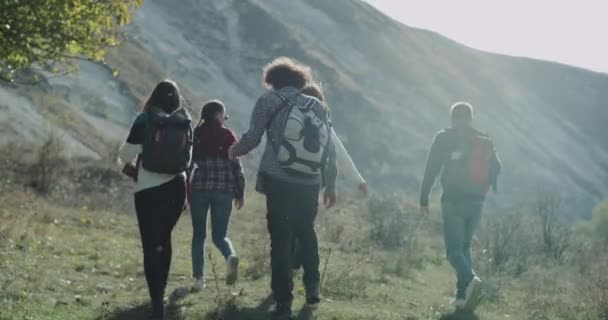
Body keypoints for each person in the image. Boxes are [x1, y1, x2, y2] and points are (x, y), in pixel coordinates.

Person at [228, 57, 338, 319]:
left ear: (272, 81)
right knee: (306, 233)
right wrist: (330, 184)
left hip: (279, 180)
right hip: (310, 181)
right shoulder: (317, 105)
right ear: (300, 81)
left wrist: (233, 151)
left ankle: (284, 302)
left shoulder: (268, 101)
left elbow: (253, 137)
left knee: (280, 240)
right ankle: (312, 287)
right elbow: (329, 150)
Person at [118, 80, 192, 320]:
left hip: (148, 189)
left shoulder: (144, 119)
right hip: (177, 187)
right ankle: (161, 298)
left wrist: (131, 163)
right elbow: (188, 159)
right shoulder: (183, 120)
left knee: (151, 246)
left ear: (153, 97)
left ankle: (157, 304)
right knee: (164, 240)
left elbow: (124, 155)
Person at [419, 102, 501, 312]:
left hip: (454, 200)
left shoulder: (445, 137)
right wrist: (489, 186)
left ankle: (472, 280)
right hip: (477, 202)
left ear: (453, 118)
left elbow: (432, 167)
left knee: (454, 251)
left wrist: (424, 197)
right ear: (471, 118)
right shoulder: (484, 140)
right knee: (464, 248)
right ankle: (462, 299)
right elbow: (497, 167)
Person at [291, 82, 368, 271]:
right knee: (305, 224)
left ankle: (288, 261)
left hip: (289, 179)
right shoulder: (323, 122)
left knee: (289, 222)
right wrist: (358, 180)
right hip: (313, 181)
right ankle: (295, 263)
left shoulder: (291, 119)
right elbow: (339, 154)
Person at [189, 100, 245, 291]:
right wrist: (240, 192)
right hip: (223, 190)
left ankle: (198, 279)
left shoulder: (197, 133)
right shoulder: (228, 135)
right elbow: (237, 166)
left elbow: (190, 163)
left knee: (198, 236)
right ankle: (230, 257)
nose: (225, 117)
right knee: (220, 236)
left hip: (199, 189)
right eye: (223, 114)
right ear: (217, 115)